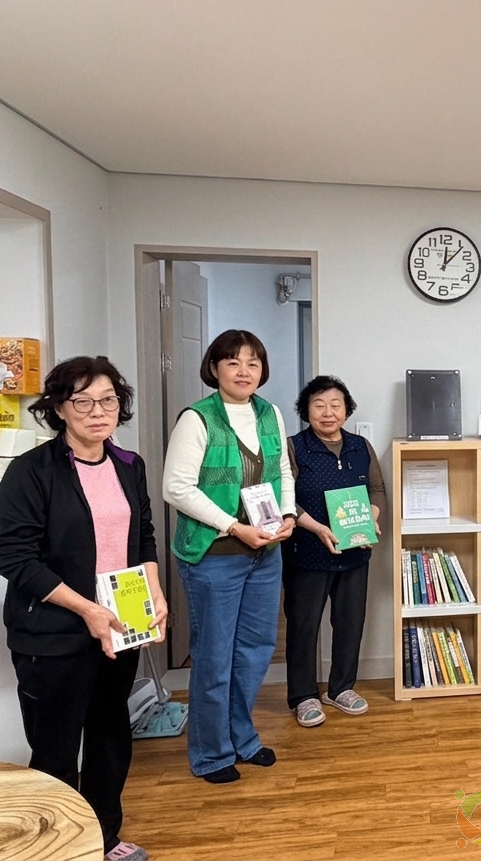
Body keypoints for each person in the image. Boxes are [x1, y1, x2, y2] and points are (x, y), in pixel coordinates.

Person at [0, 356, 164, 861]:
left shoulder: (130, 465)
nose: (97, 411)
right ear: (60, 409)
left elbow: (144, 537)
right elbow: (16, 558)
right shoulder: (32, 472)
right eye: (82, 401)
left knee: (112, 739)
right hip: (53, 631)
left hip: (121, 623)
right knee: (56, 750)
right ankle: (59, 847)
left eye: (108, 400)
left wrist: (154, 592)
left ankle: (103, 837)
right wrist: (86, 609)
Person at [162, 329, 295, 784]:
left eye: (253, 362)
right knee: (215, 657)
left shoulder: (269, 412)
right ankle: (211, 753)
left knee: (255, 652)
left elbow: (281, 471)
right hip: (214, 554)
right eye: (234, 362)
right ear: (215, 368)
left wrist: (289, 514)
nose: (244, 371)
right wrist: (234, 526)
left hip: (266, 552)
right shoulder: (197, 419)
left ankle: (243, 737)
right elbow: (175, 488)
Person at [284, 375, 387, 725]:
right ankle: (304, 696)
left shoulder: (361, 446)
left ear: (346, 410)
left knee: (350, 622)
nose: (327, 412)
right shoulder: (294, 447)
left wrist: (371, 517)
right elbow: (285, 500)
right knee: (303, 625)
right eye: (318, 405)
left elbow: (376, 488)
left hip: (355, 551)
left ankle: (341, 687)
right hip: (308, 553)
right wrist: (316, 527)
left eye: (335, 405)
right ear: (306, 410)